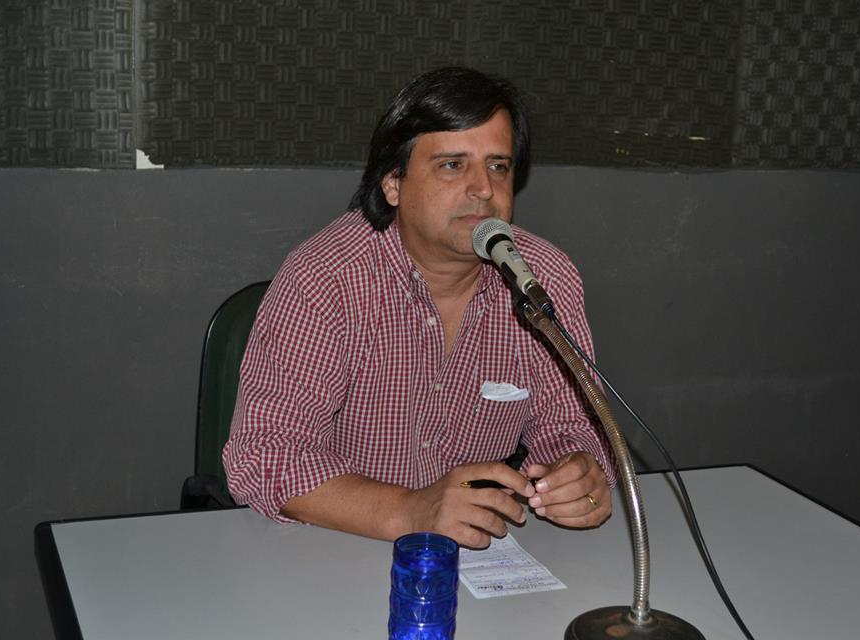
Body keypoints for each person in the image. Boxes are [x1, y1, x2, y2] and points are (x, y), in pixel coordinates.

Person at [223, 67, 616, 549]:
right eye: (452, 165)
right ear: (394, 182)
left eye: (498, 166)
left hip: (476, 554)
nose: (483, 189)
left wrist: (578, 474)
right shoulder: (327, 276)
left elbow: (573, 427)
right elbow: (265, 455)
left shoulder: (542, 278)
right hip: (335, 545)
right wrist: (410, 510)